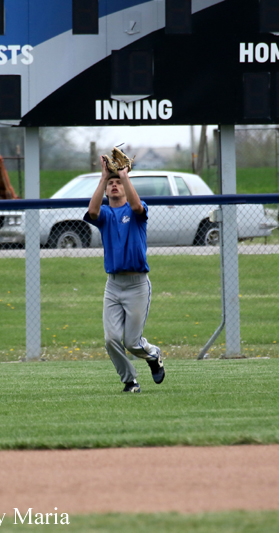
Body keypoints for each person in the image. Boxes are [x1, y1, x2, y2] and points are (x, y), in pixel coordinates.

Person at [83, 155, 165, 393]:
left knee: (131, 342)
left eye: (118, 181)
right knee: (110, 339)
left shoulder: (137, 211)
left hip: (137, 285)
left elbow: (138, 207)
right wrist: (103, 177)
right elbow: (92, 211)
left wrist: (125, 174)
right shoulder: (106, 214)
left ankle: (153, 354)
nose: (115, 184)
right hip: (113, 285)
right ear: (107, 190)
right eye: (112, 183)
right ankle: (130, 381)